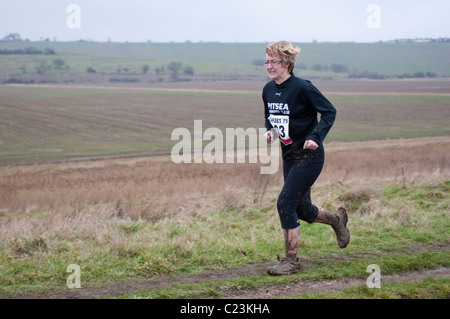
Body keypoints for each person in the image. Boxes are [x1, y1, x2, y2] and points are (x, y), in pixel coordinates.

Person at [262, 41, 350, 276]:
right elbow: (270, 117)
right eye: (267, 61)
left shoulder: (303, 87)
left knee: (285, 202)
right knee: (302, 209)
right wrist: (269, 130)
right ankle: (336, 220)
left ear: (287, 63)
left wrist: (316, 136)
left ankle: (291, 261)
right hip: (289, 155)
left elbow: (329, 111)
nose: (269, 66)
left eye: (274, 61)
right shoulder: (268, 90)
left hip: (310, 156)